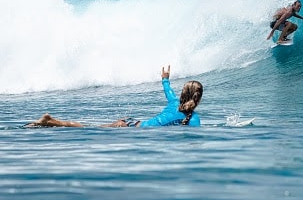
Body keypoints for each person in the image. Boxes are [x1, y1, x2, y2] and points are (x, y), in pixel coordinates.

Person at [26, 65, 203, 128]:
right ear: (198, 98)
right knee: (84, 129)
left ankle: (48, 122)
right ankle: (50, 121)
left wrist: (165, 79)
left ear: (183, 94)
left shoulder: (173, 102)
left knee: (89, 127)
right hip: (134, 129)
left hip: (133, 123)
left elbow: (168, 90)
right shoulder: (193, 119)